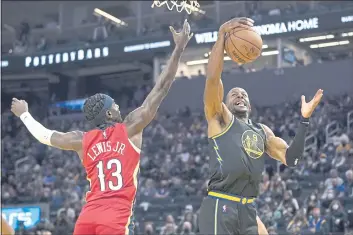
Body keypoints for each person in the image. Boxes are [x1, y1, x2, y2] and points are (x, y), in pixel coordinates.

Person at [10, 19, 193, 235]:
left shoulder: (81, 139)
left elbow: (46, 136)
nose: (118, 107)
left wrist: (24, 115)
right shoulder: (130, 128)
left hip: (88, 215)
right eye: (115, 106)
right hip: (116, 215)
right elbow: (161, 87)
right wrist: (179, 48)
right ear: (108, 113)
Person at [198, 17, 323, 235]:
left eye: (243, 94)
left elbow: (292, 159)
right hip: (221, 203)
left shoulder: (262, 132)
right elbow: (213, 79)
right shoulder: (219, 118)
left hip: (248, 207)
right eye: (234, 94)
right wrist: (221, 37)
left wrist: (304, 120)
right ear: (225, 103)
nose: (240, 95)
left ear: (250, 104)